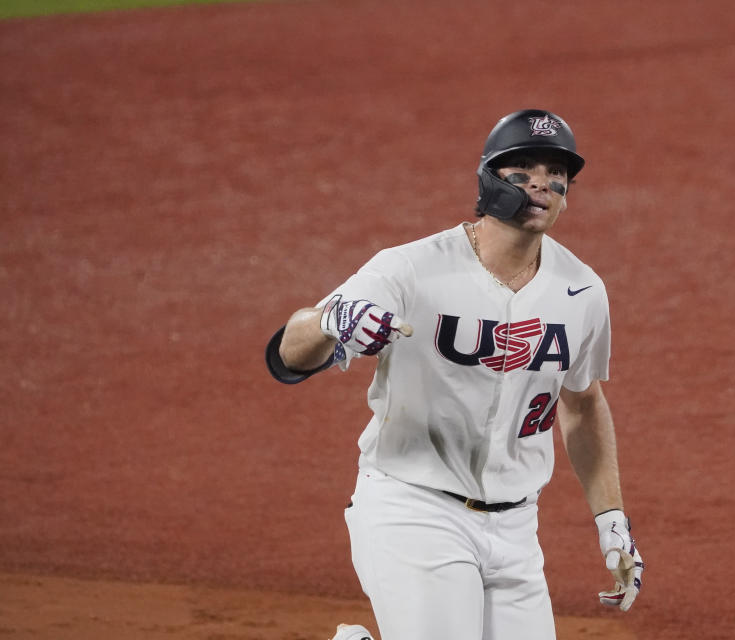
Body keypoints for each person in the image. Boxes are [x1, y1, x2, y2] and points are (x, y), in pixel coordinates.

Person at [265, 109, 643, 640]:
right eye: (523, 170)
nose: (541, 183)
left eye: (555, 173)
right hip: (414, 509)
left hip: (515, 528)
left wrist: (611, 519)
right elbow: (288, 353)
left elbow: (582, 404)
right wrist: (331, 320)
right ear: (489, 179)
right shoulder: (410, 268)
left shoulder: (581, 291)